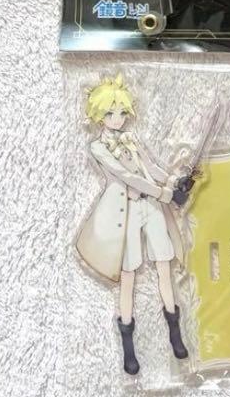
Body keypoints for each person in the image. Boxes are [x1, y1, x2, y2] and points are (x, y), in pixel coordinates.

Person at [76, 75, 189, 376]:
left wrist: (174, 181)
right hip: (123, 213)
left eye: (122, 112)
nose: (117, 119)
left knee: (164, 266)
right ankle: (128, 344)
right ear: (98, 115)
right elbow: (128, 177)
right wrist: (166, 194)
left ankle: (175, 333)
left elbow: (149, 168)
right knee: (128, 276)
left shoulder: (132, 139)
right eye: (110, 113)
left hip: (151, 207)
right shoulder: (98, 147)